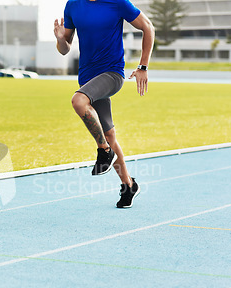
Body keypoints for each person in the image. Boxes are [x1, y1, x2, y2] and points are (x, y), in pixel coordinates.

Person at [54, 0, 155, 208]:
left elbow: (148, 27)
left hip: (112, 73)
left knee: (78, 101)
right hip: (87, 79)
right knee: (109, 135)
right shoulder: (73, 5)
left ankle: (104, 151)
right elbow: (65, 49)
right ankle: (128, 185)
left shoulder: (117, 2)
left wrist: (143, 66)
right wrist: (61, 39)